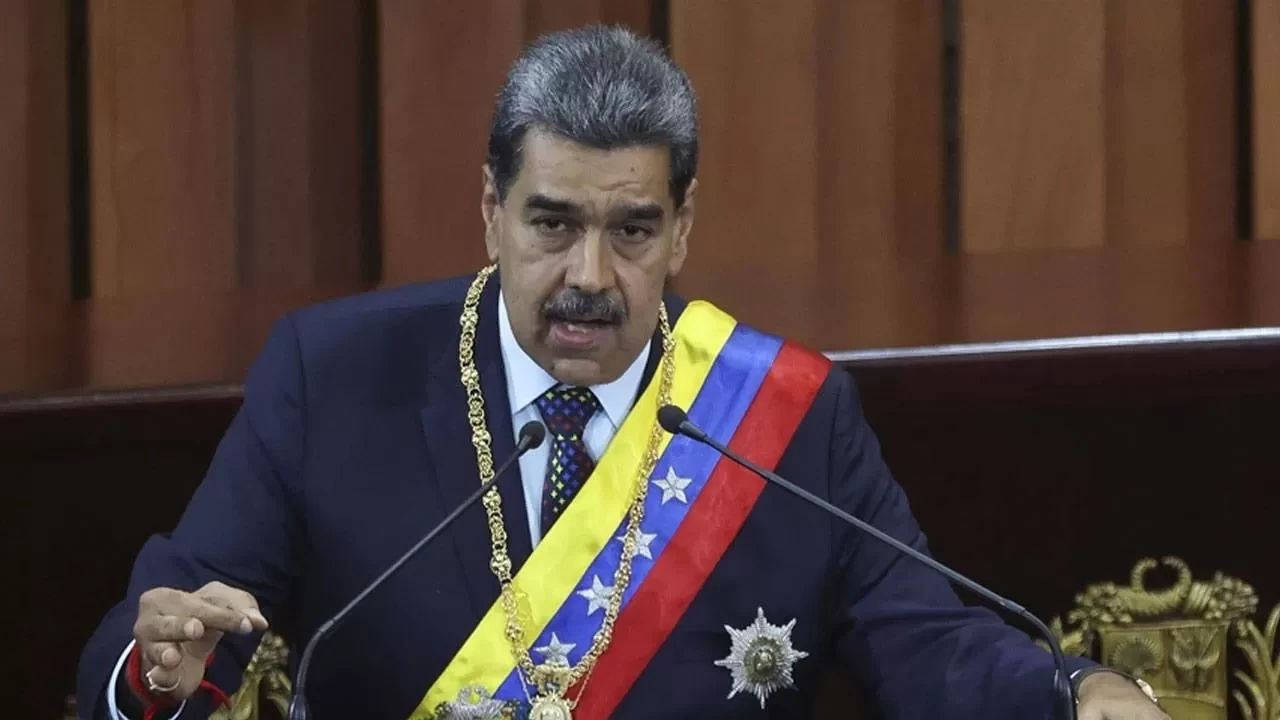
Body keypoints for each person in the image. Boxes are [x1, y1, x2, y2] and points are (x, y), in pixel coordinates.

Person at [77, 24, 1169, 720]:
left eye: (632, 231)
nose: (589, 277)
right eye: (551, 224)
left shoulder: (784, 417)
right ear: (491, 212)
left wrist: (1073, 693)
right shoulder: (332, 380)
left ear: (682, 229)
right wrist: (155, 671)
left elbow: (927, 643)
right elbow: (165, 632)